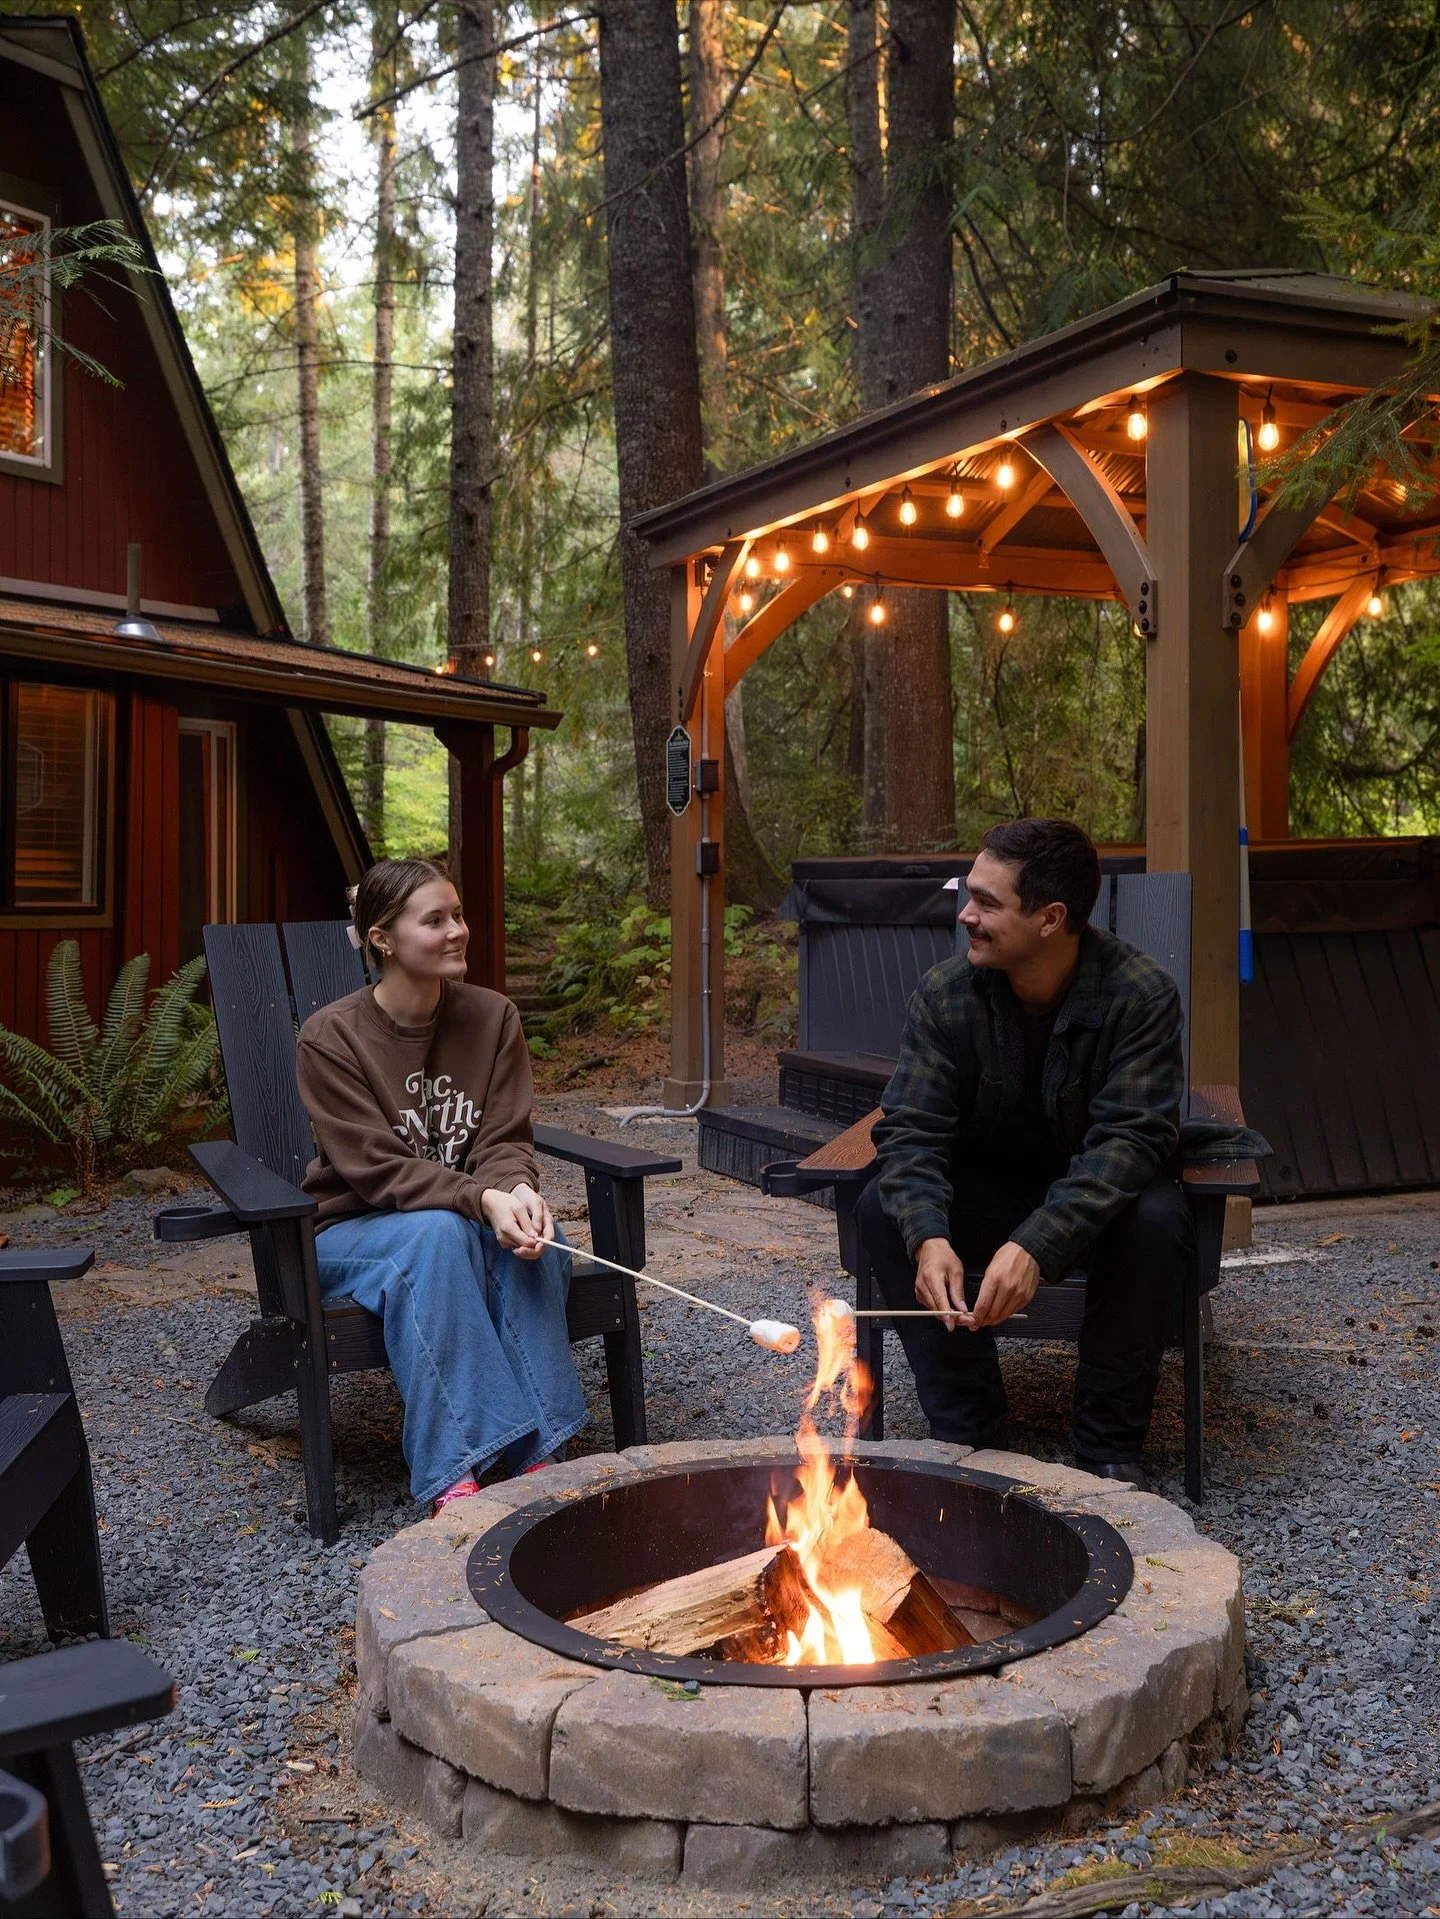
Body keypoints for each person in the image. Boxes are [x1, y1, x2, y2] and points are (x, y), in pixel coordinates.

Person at [858, 818, 1194, 1490]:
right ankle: (970, 1430)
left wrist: (1037, 1243)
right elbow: (913, 1128)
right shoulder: (946, 993)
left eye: (987, 902)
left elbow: (1129, 1142)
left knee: (1158, 1213)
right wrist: (929, 1237)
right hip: (987, 1191)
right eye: (969, 894)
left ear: (1051, 918)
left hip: (1094, 1204)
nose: (966, 914)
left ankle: (1107, 1446)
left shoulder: (1140, 995)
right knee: (881, 1208)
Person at [295, 857, 587, 1515]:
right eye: (435, 920)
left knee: (539, 1234)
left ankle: (537, 1455)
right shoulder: (331, 1037)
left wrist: (514, 1191)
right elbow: (375, 1168)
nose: (457, 930)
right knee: (435, 1233)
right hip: (349, 1231)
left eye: (457, 914)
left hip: (454, 1222)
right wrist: (482, 1199)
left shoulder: (493, 1017)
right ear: (383, 939)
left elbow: (504, 1140)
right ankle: (456, 1471)